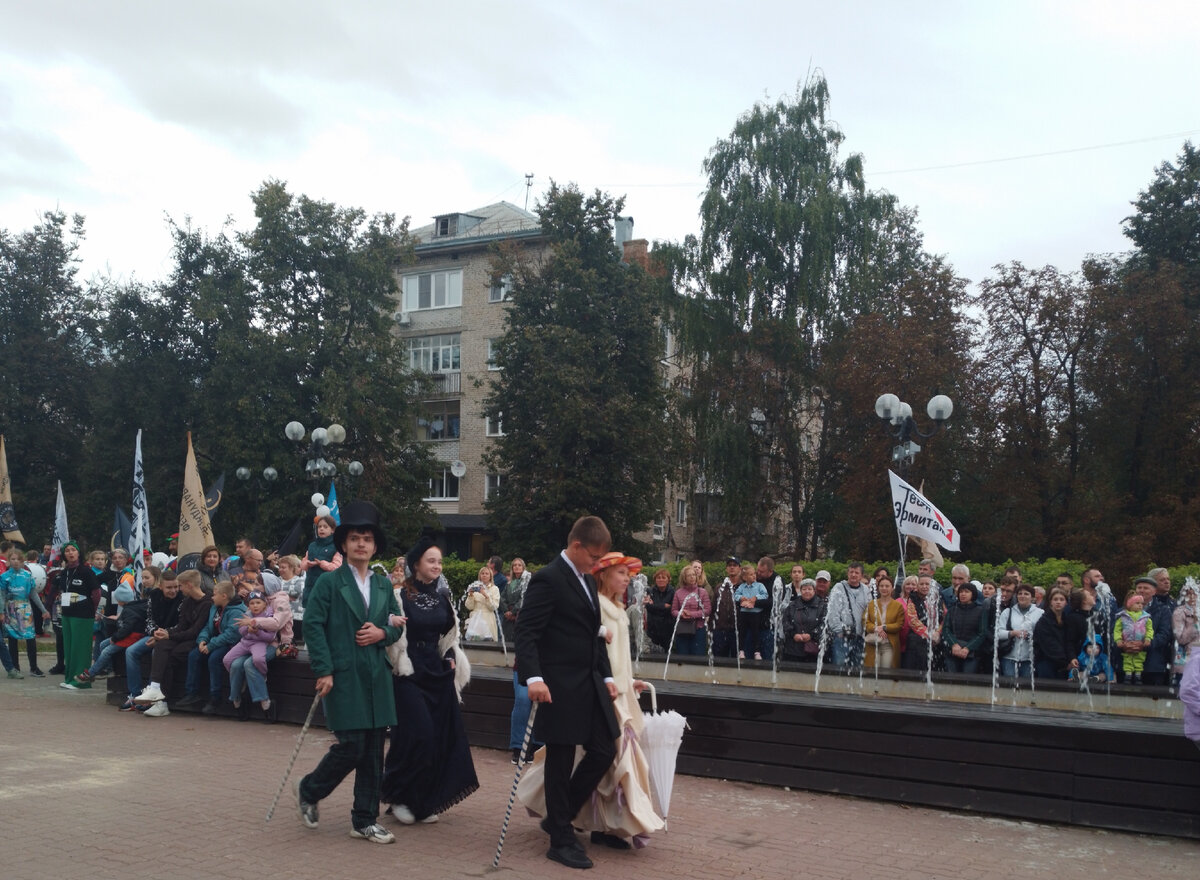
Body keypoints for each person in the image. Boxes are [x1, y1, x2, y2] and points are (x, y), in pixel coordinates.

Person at [518, 552, 664, 850]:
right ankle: (572, 819)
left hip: (614, 690)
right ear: (604, 575)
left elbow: (615, 655)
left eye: (628, 574)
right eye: (620, 573)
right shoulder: (594, 601)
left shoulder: (618, 608)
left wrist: (625, 681)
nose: (627, 579)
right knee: (610, 760)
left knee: (612, 762)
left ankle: (596, 823)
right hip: (596, 690)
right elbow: (588, 644)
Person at [294, 500, 404, 844]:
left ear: (375, 546)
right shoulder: (329, 583)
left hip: (376, 676)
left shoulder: (384, 584)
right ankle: (310, 789)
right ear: (343, 543)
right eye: (355, 538)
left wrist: (383, 633)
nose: (361, 544)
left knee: (373, 752)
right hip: (343, 675)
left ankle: (364, 820)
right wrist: (323, 669)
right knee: (352, 746)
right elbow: (312, 625)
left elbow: (397, 624)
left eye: (367, 539)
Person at [515, 515, 620, 870]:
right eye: (594, 556)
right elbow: (527, 632)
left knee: (604, 749)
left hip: (589, 684)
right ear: (576, 546)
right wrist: (533, 678)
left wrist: (607, 676)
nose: (597, 564)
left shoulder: (587, 580)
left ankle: (558, 816)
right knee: (559, 762)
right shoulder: (548, 579)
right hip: (557, 686)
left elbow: (593, 634)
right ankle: (560, 840)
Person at [379, 535, 478, 826]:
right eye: (431, 561)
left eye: (439, 562)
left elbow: (450, 635)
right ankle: (398, 796)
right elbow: (391, 633)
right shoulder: (399, 596)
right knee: (416, 733)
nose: (437, 566)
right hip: (408, 672)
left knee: (437, 736)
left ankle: (421, 800)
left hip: (436, 673)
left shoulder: (442, 597)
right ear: (416, 564)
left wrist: (450, 656)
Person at [134, 569, 213, 715]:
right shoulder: (187, 601)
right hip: (183, 638)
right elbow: (182, 626)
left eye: (180, 586)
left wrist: (169, 636)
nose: (178, 590)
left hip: (197, 641)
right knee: (161, 645)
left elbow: (194, 632)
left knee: (170, 655)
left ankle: (162, 703)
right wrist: (165, 634)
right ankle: (155, 688)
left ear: (189, 585)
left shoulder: (207, 603)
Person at [74, 583, 145, 684]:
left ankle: (91, 673)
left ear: (121, 600)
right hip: (127, 635)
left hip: (131, 636)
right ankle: (109, 669)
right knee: (102, 644)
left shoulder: (129, 610)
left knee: (106, 651)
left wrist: (115, 638)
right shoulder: (129, 609)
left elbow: (127, 628)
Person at [55, 542, 101, 688]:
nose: (70, 553)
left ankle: (80, 682)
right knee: (69, 647)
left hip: (83, 614)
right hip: (67, 613)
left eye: (73, 550)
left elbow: (96, 593)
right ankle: (69, 678)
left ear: (78, 553)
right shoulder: (64, 572)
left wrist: (93, 610)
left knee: (80, 648)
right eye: (67, 551)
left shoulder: (86, 571)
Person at [2, 546, 48, 676]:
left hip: (26, 610)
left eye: (18, 559)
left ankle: (34, 667)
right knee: (12, 639)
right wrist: (1, 612)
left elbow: (33, 594)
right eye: (13, 559)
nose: (15, 561)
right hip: (10, 610)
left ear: (23, 561)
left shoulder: (27, 575)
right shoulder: (4, 577)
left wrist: (43, 610)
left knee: (30, 637)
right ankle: (15, 667)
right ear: (8, 561)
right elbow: (2, 596)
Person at [826, 563, 869, 669]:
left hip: (859, 637)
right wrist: (839, 630)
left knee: (857, 669)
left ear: (861, 575)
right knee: (839, 667)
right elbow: (832, 612)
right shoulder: (838, 588)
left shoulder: (865, 590)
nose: (853, 575)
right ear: (847, 573)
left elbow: (869, 611)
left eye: (856, 573)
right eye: (851, 572)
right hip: (842, 636)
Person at [942, 580, 988, 674]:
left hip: (972, 654)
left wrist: (968, 648)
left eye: (966, 592)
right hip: (953, 651)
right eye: (961, 592)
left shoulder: (980, 611)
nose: (963, 594)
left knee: (967, 679)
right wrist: (954, 644)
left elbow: (982, 633)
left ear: (973, 594)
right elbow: (946, 629)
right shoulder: (952, 610)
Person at [997, 583, 1042, 678]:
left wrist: (1029, 636)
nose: (1022, 596)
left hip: (1029, 659)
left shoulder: (1040, 613)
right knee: (1010, 684)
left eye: (1026, 594)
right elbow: (998, 633)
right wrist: (1013, 633)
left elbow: (1042, 634)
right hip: (1009, 657)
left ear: (1032, 597)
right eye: (1020, 593)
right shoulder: (1007, 612)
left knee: (1026, 685)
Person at [1033, 586, 1075, 680]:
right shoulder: (1043, 621)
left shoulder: (1067, 620)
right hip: (1046, 663)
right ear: (1050, 602)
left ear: (1066, 602)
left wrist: (1071, 658)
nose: (1058, 602)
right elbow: (1049, 645)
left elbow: (1069, 641)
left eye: (1061, 599)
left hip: (1063, 665)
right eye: (1055, 599)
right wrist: (1065, 663)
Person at [862, 574, 903, 669]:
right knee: (872, 672)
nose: (884, 588)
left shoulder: (898, 606)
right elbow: (865, 621)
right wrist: (875, 628)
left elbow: (899, 624)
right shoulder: (871, 604)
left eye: (887, 586)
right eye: (881, 586)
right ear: (878, 588)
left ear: (892, 588)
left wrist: (884, 627)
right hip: (873, 643)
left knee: (886, 672)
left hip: (888, 644)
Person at [670, 563, 712, 657]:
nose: (692, 577)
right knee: (682, 656)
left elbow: (707, 610)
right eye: (689, 575)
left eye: (693, 575)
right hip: (683, 629)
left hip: (698, 628)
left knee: (698, 657)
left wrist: (692, 614)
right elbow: (673, 611)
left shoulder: (703, 592)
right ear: (684, 578)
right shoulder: (678, 593)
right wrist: (681, 613)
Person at [300, 515, 341, 607]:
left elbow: (337, 567)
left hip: (327, 589)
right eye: (319, 527)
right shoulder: (312, 546)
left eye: (325, 527)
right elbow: (303, 564)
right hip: (310, 588)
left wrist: (321, 563)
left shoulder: (336, 546)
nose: (321, 529)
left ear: (332, 530)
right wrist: (307, 564)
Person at [1115, 591, 1154, 685]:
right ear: (1129, 604)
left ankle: (1138, 675)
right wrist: (1118, 640)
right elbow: (1117, 630)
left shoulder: (1146, 617)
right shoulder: (1123, 617)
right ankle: (1128, 675)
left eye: (1142, 603)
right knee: (1127, 660)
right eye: (1137, 603)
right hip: (1127, 643)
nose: (1140, 605)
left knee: (1139, 660)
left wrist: (1148, 639)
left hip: (1140, 643)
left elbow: (1150, 630)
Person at [782, 578, 825, 663]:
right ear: (800, 591)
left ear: (814, 591)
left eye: (809, 589)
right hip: (793, 649)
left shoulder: (822, 606)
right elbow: (785, 622)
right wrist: (793, 634)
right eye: (804, 589)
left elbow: (824, 624)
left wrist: (811, 635)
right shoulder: (792, 605)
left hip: (813, 649)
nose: (807, 591)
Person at [733, 560, 768, 660]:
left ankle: (757, 651)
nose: (754, 576)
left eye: (754, 574)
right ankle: (741, 651)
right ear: (744, 577)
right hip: (744, 612)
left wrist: (756, 597)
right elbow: (735, 595)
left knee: (755, 632)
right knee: (742, 632)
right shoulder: (742, 586)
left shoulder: (760, 585)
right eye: (751, 574)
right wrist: (741, 598)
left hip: (755, 613)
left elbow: (765, 595)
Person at [709, 557, 740, 658]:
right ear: (726, 568)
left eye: (734, 565)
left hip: (737, 630)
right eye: (729, 565)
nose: (732, 567)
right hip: (720, 629)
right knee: (718, 660)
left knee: (737, 660)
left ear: (739, 568)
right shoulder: (719, 587)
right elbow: (713, 608)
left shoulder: (743, 586)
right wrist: (711, 628)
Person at [463, 565, 501, 641]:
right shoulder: (474, 587)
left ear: (490, 576)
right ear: (479, 576)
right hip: (475, 619)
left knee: (488, 642)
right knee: (473, 642)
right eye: (482, 573)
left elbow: (494, 607)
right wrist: (470, 595)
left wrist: (486, 595)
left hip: (488, 619)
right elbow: (469, 607)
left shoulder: (494, 589)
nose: (484, 575)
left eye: (487, 574)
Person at [1172, 580, 1199, 684]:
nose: (1192, 597)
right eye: (1188, 594)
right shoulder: (1179, 612)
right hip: (1187, 660)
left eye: (1194, 593)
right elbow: (1181, 639)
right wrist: (1194, 623)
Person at [642, 567, 676, 651]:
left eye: (663, 578)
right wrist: (664, 606)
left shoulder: (673, 592)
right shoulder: (650, 591)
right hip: (653, 628)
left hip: (667, 628)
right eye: (658, 578)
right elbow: (648, 606)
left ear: (668, 580)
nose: (661, 580)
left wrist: (655, 606)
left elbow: (672, 609)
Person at [499, 557, 530, 642]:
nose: (517, 567)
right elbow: (502, 597)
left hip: (520, 615)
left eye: (519, 565)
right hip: (508, 616)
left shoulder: (526, 582)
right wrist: (506, 611)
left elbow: (523, 598)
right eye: (515, 565)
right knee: (507, 640)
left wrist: (513, 612)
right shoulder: (509, 583)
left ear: (523, 567)